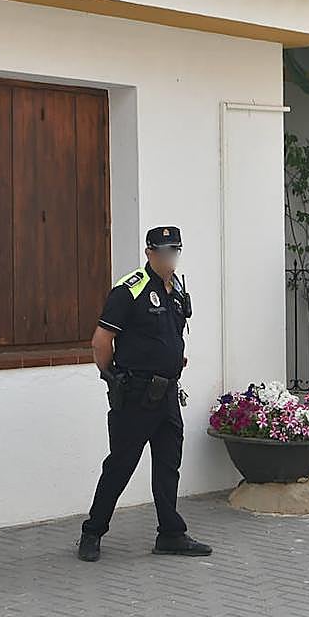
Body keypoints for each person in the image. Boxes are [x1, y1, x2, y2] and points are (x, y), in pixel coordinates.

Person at [77, 226, 212, 562]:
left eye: (174, 251)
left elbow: (168, 334)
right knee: (121, 465)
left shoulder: (177, 290)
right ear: (150, 253)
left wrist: (172, 357)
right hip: (136, 394)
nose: (169, 258)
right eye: (163, 251)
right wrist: (112, 377)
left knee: (168, 465)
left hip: (167, 394)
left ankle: (171, 534)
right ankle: (92, 531)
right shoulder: (130, 289)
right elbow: (100, 341)